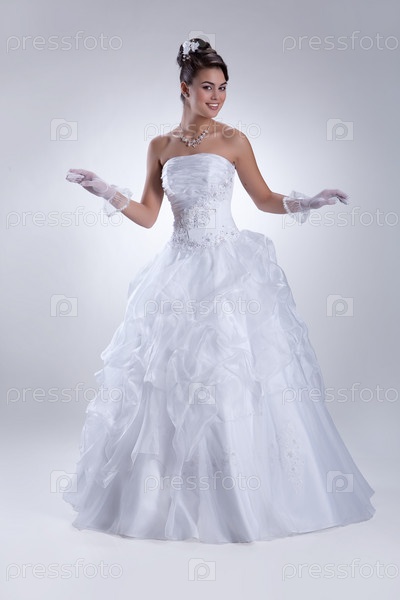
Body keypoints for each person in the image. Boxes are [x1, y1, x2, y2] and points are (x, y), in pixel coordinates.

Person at [63, 37, 375, 543]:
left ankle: (244, 498)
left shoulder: (234, 140)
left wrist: (309, 202)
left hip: (229, 273)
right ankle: (164, 498)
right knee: (168, 381)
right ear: (184, 88)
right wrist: (105, 190)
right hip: (177, 272)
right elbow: (148, 216)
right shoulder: (160, 146)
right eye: (207, 87)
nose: (217, 97)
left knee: (232, 375)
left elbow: (265, 198)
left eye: (223, 88)